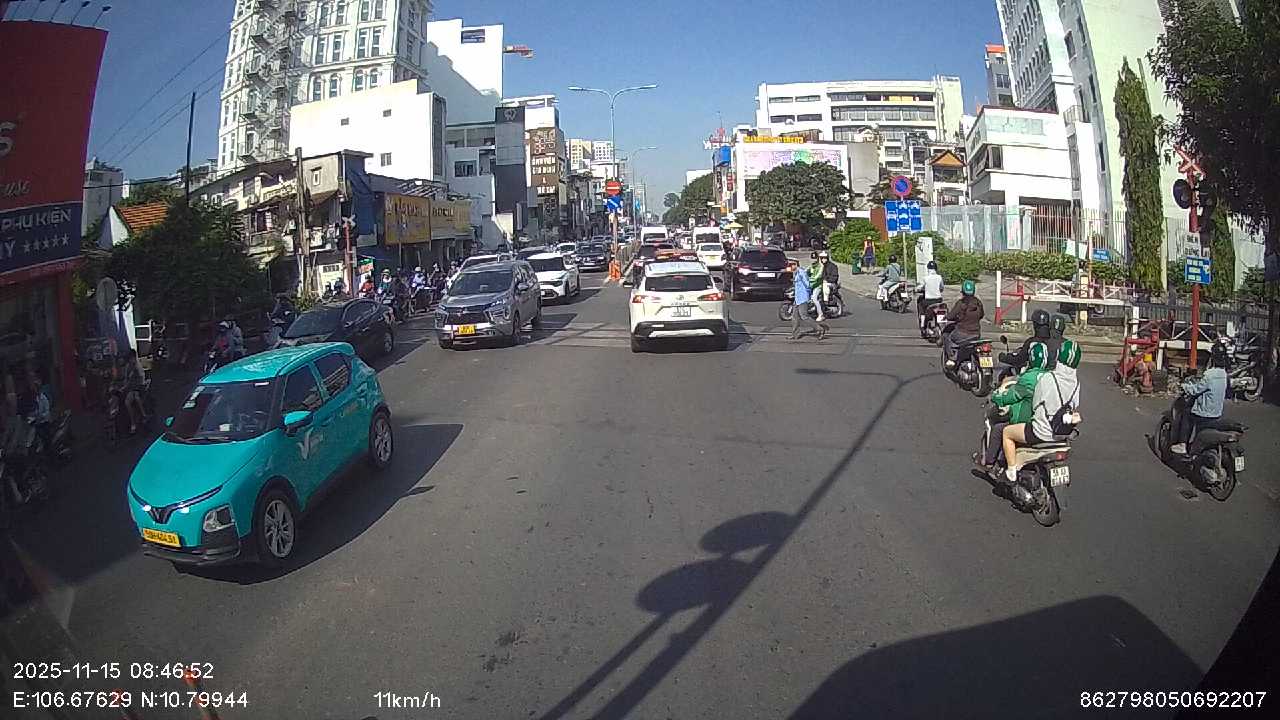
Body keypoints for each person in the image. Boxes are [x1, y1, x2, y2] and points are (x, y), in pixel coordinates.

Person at [1001, 339, 1082, 484]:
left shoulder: (1047, 378)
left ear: (1058, 357)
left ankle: (1011, 471)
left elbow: (1036, 403)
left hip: (1041, 431)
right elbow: (1074, 404)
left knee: (1007, 432)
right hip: (1062, 434)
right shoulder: (1076, 383)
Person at [977, 342, 1049, 471]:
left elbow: (1010, 397)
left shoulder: (1028, 378)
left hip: (1028, 423)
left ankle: (989, 462)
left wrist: (996, 397)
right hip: (1048, 424)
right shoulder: (1050, 377)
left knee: (999, 429)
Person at [1170, 341, 1229, 455]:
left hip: (1204, 412)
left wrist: (1184, 386)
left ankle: (1183, 444)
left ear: (1212, 357)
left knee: (1187, 413)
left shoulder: (1209, 375)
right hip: (1216, 412)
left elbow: (1196, 390)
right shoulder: (1224, 374)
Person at [942, 279, 984, 367]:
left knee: (947, 336)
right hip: (976, 334)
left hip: (962, 333)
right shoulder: (978, 303)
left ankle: (952, 358)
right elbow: (981, 315)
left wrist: (947, 317)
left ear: (963, 292)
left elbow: (950, 316)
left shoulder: (961, 303)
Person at [788, 259, 828, 341]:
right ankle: (795, 334)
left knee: (804, 316)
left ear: (796, 265)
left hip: (803, 298)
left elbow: (807, 285)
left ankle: (820, 329)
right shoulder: (795, 273)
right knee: (794, 317)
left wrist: (808, 295)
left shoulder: (801, 273)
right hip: (797, 298)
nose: (790, 267)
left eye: (791, 265)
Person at [916, 260, 945, 329]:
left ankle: (922, 323)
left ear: (928, 268)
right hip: (938, 300)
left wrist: (916, 289)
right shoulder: (939, 277)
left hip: (928, 301)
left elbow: (921, 287)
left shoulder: (925, 278)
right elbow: (942, 288)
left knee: (921, 305)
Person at [806, 252, 826, 321]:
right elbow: (805, 271)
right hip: (811, 285)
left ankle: (821, 314)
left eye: (814, 259)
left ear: (817, 259)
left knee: (814, 298)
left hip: (818, 286)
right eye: (812, 259)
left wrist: (810, 279)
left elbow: (818, 276)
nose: (813, 261)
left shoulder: (821, 266)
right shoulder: (811, 266)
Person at [818, 250, 839, 315]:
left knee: (825, 286)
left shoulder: (833, 266)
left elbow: (835, 276)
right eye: (822, 258)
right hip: (821, 283)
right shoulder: (820, 266)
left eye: (824, 258)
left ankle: (826, 302)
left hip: (831, 283)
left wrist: (827, 280)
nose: (823, 260)